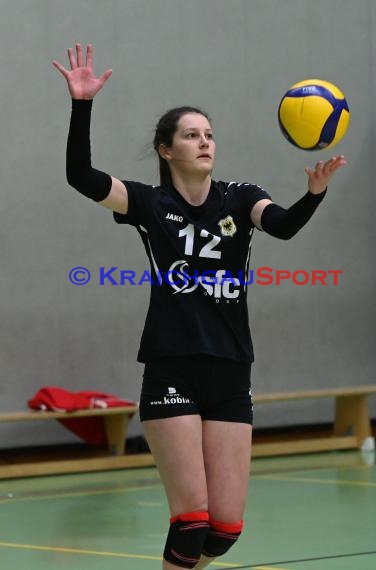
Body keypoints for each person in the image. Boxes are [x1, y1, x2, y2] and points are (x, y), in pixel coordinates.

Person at [53, 43, 346, 570]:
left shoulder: (238, 196)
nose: (204, 141)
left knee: (224, 531)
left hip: (231, 366)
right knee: (191, 523)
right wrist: (82, 104)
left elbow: (280, 225)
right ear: (167, 150)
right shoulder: (147, 202)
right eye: (191, 135)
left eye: (208, 134)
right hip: (172, 365)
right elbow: (81, 177)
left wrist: (314, 195)